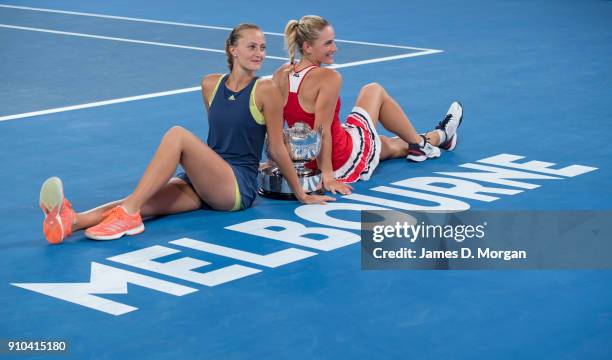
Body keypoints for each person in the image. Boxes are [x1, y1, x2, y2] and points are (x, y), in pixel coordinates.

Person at [39, 23, 334, 244]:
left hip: (235, 188)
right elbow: (221, 138)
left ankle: (127, 215)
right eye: (252, 47)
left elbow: (276, 147)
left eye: (263, 47)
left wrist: (301, 193)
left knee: (178, 135)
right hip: (206, 180)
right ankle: (70, 222)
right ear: (234, 50)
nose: (260, 54)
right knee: (143, 200)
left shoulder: (266, 89)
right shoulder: (210, 85)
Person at [273, 15, 463, 196]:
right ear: (307, 47)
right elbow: (322, 133)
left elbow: (277, 125)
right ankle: (426, 142)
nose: (335, 48)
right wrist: (328, 177)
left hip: (302, 161)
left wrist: (275, 160)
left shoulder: (281, 73)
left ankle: (436, 138)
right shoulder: (329, 78)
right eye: (328, 43)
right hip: (341, 156)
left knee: (387, 145)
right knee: (373, 90)